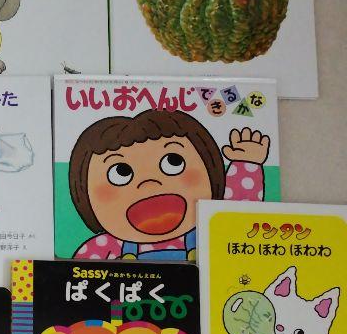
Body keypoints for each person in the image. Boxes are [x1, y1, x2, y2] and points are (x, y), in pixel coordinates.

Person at [68, 109, 269, 261]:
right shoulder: (105, 246)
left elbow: (237, 216)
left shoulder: (209, 231)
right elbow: (78, 276)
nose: (149, 182)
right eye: (121, 173)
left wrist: (247, 164)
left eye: (174, 161)